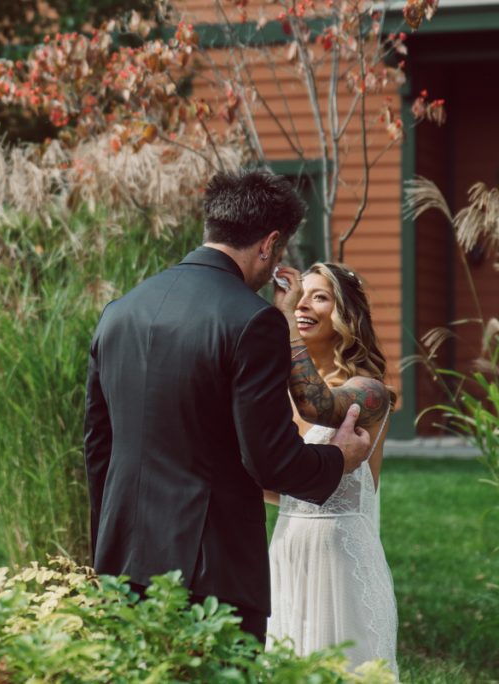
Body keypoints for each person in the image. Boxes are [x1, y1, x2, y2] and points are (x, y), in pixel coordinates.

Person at [83, 169, 372, 643]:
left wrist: (106, 549)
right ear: (269, 244)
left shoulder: (120, 311)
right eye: (277, 253)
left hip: (121, 563)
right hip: (210, 575)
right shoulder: (253, 321)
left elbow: (98, 447)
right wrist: (340, 457)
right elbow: (269, 460)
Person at [264, 262, 398, 675]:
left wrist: (283, 318)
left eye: (318, 296)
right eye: (297, 295)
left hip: (341, 560)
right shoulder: (273, 393)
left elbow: (319, 405)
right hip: (287, 548)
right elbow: (283, 484)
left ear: (346, 313)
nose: (302, 304)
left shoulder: (370, 390)